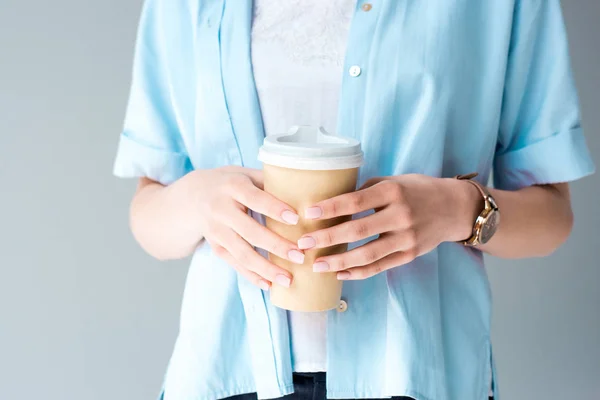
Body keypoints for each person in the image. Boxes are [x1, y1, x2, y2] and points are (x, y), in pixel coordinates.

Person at [113, 1, 595, 399]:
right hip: (226, 375)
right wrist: (198, 200)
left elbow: (551, 215)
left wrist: (457, 209)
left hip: (416, 377)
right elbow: (149, 215)